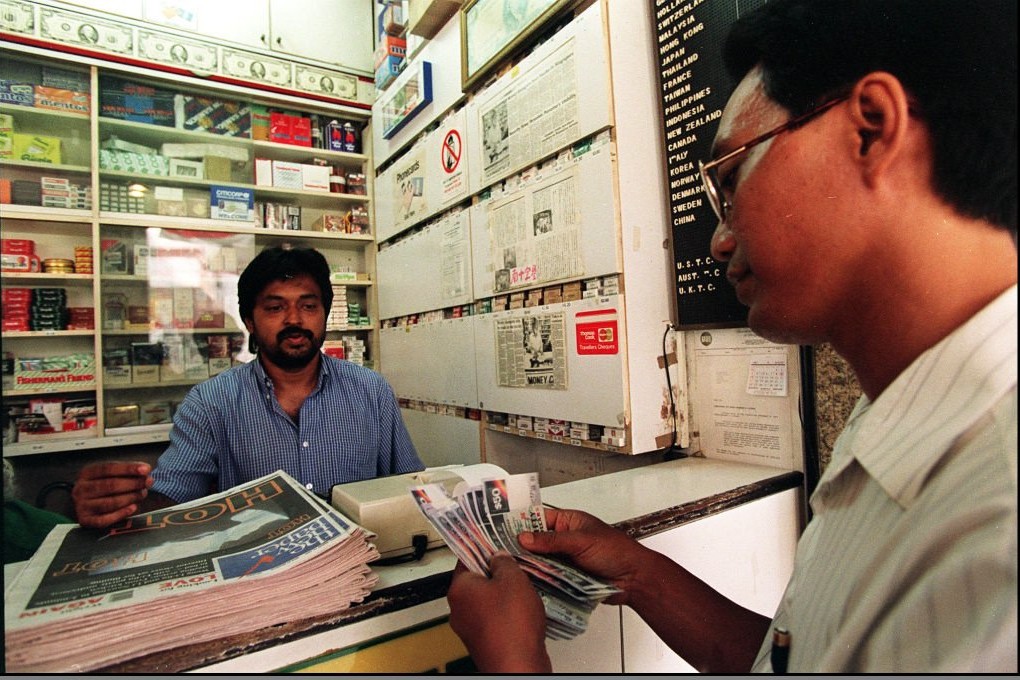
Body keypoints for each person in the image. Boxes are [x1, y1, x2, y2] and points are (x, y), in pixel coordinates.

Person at [446, 0, 1017, 673]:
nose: (718, 239)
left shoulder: (996, 532)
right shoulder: (900, 412)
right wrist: (640, 573)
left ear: (871, 129)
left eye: (730, 177)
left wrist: (515, 663)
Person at [73, 245, 424, 529]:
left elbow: (410, 485)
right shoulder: (211, 402)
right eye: (275, 307)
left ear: (325, 314)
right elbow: (172, 500)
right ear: (250, 321)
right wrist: (119, 505)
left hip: (364, 566)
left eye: (308, 305)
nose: (294, 319)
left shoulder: (371, 391)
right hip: (258, 576)